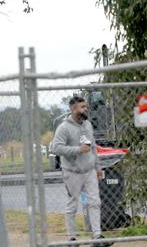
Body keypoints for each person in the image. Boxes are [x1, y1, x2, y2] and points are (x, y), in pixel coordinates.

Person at [51, 96, 107, 244]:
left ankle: (97, 237)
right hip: (72, 172)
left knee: (95, 202)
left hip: (89, 171)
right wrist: (78, 149)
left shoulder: (88, 124)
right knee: (72, 205)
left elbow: (93, 146)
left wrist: (98, 167)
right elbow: (55, 148)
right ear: (74, 109)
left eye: (86, 106)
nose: (86, 109)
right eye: (83, 107)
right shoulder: (64, 127)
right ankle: (72, 238)